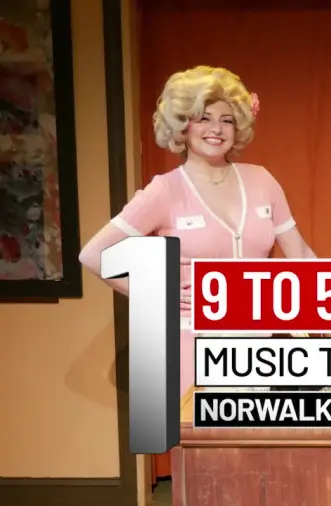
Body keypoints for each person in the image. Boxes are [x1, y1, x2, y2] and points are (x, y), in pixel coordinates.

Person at [78, 65, 316, 396]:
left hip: (258, 351)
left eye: (227, 120)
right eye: (204, 118)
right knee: (202, 430)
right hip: (191, 348)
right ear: (182, 124)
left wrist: (329, 313)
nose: (216, 129)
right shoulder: (165, 190)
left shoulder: (262, 180)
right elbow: (93, 254)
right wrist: (156, 294)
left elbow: (301, 255)